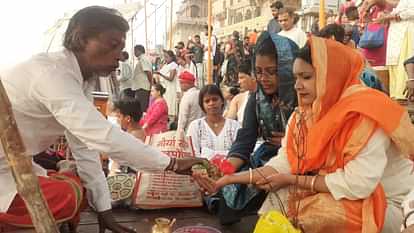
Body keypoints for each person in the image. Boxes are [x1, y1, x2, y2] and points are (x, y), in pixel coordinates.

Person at [0, 6, 203, 233]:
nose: (119, 55)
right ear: (80, 39)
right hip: (7, 168)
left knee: (81, 186)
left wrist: (105, 211)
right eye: (112, 44)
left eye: (121, 48)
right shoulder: (51, 72)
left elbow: (85, 147)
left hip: (13, 165)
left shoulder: (81, 83)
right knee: (71, 192)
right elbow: (103, 136)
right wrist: (172, 163)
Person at [195, 37, 414, 233]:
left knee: (317, 213)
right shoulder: (304, 115)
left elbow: (357, 185)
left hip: (388, 204)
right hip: (339, 190)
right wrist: (228, 179)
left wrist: (292, 180)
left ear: (332, 76)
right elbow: (284, 164)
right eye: (295, 77)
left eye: (306, 77)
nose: (298, 86)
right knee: (279, 198)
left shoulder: (365, 114)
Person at [212, 31, 298, 225]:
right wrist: (226, 169)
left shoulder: (303, 96)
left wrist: (289, 141)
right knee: (228, 201)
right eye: (258, 71)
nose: (263, 78)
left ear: (287, 69)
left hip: (302, 163)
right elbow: (245, 140)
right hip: (266, 157)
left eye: (271, 71)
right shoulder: (256, 98)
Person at [187, 85, 241, 158]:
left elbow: (239, 152)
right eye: (207, 101)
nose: (211, 103)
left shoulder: (234, 126)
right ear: (202, 105)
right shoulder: (195, 126)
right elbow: (193, 155)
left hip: (233, 168)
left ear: (222, 101)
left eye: (215, 99)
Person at [384, 0, 414, 99]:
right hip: (395, 36)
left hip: (406, 33)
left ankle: (403, 98)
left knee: (405, 66)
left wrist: (394, 16)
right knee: (394, 66)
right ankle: (396, 98)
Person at [224, 60, 257, 124]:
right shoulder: (238, 99)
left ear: (253, 76)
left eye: (242, 77)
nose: (239, 82)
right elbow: (228, 124)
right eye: (239, 78)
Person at [176, 71, 204, 142]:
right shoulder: (201, 94)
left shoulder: (187, 97)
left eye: (181, 83)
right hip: (202, 131)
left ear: (187, 83)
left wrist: (179, 137)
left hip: (189, 133)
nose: (180, 85)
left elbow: (182, 120)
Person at [155, 50, 179, 118]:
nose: (165, 59)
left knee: (170, 103)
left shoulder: (173, 65)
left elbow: (171, 78)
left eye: (167, 57)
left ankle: (171, 118)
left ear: (171, 57)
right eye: (165, 57)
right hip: (164, 87)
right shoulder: (166, 65)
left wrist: (161, 75)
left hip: (170, 88)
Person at [132, 44, 153, 111]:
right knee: (139, 107)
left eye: (135, 51)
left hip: (143, 87)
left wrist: (151, 84)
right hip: (140, 87)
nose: (134, 53)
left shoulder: (143, 59)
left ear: (139, 51)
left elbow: (148, 72)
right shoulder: (142, 59)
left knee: (142, 107)